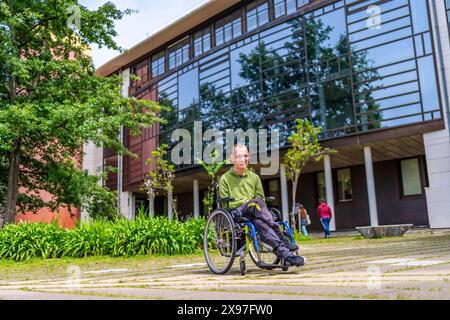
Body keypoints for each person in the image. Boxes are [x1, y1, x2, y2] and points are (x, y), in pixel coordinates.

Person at [219, 144, 306, 267]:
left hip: (255, 211)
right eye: (239, 156)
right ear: (232, 158)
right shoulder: (225, 179)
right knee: (256, 202)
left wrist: (252, 202)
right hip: (237, 212)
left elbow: (261, 199)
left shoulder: (254, 177)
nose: (243, 159)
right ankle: (281, 236)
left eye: (245, 156)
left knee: (261, 224)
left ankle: (286, 255)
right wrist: (247, 202)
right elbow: (225, 204)